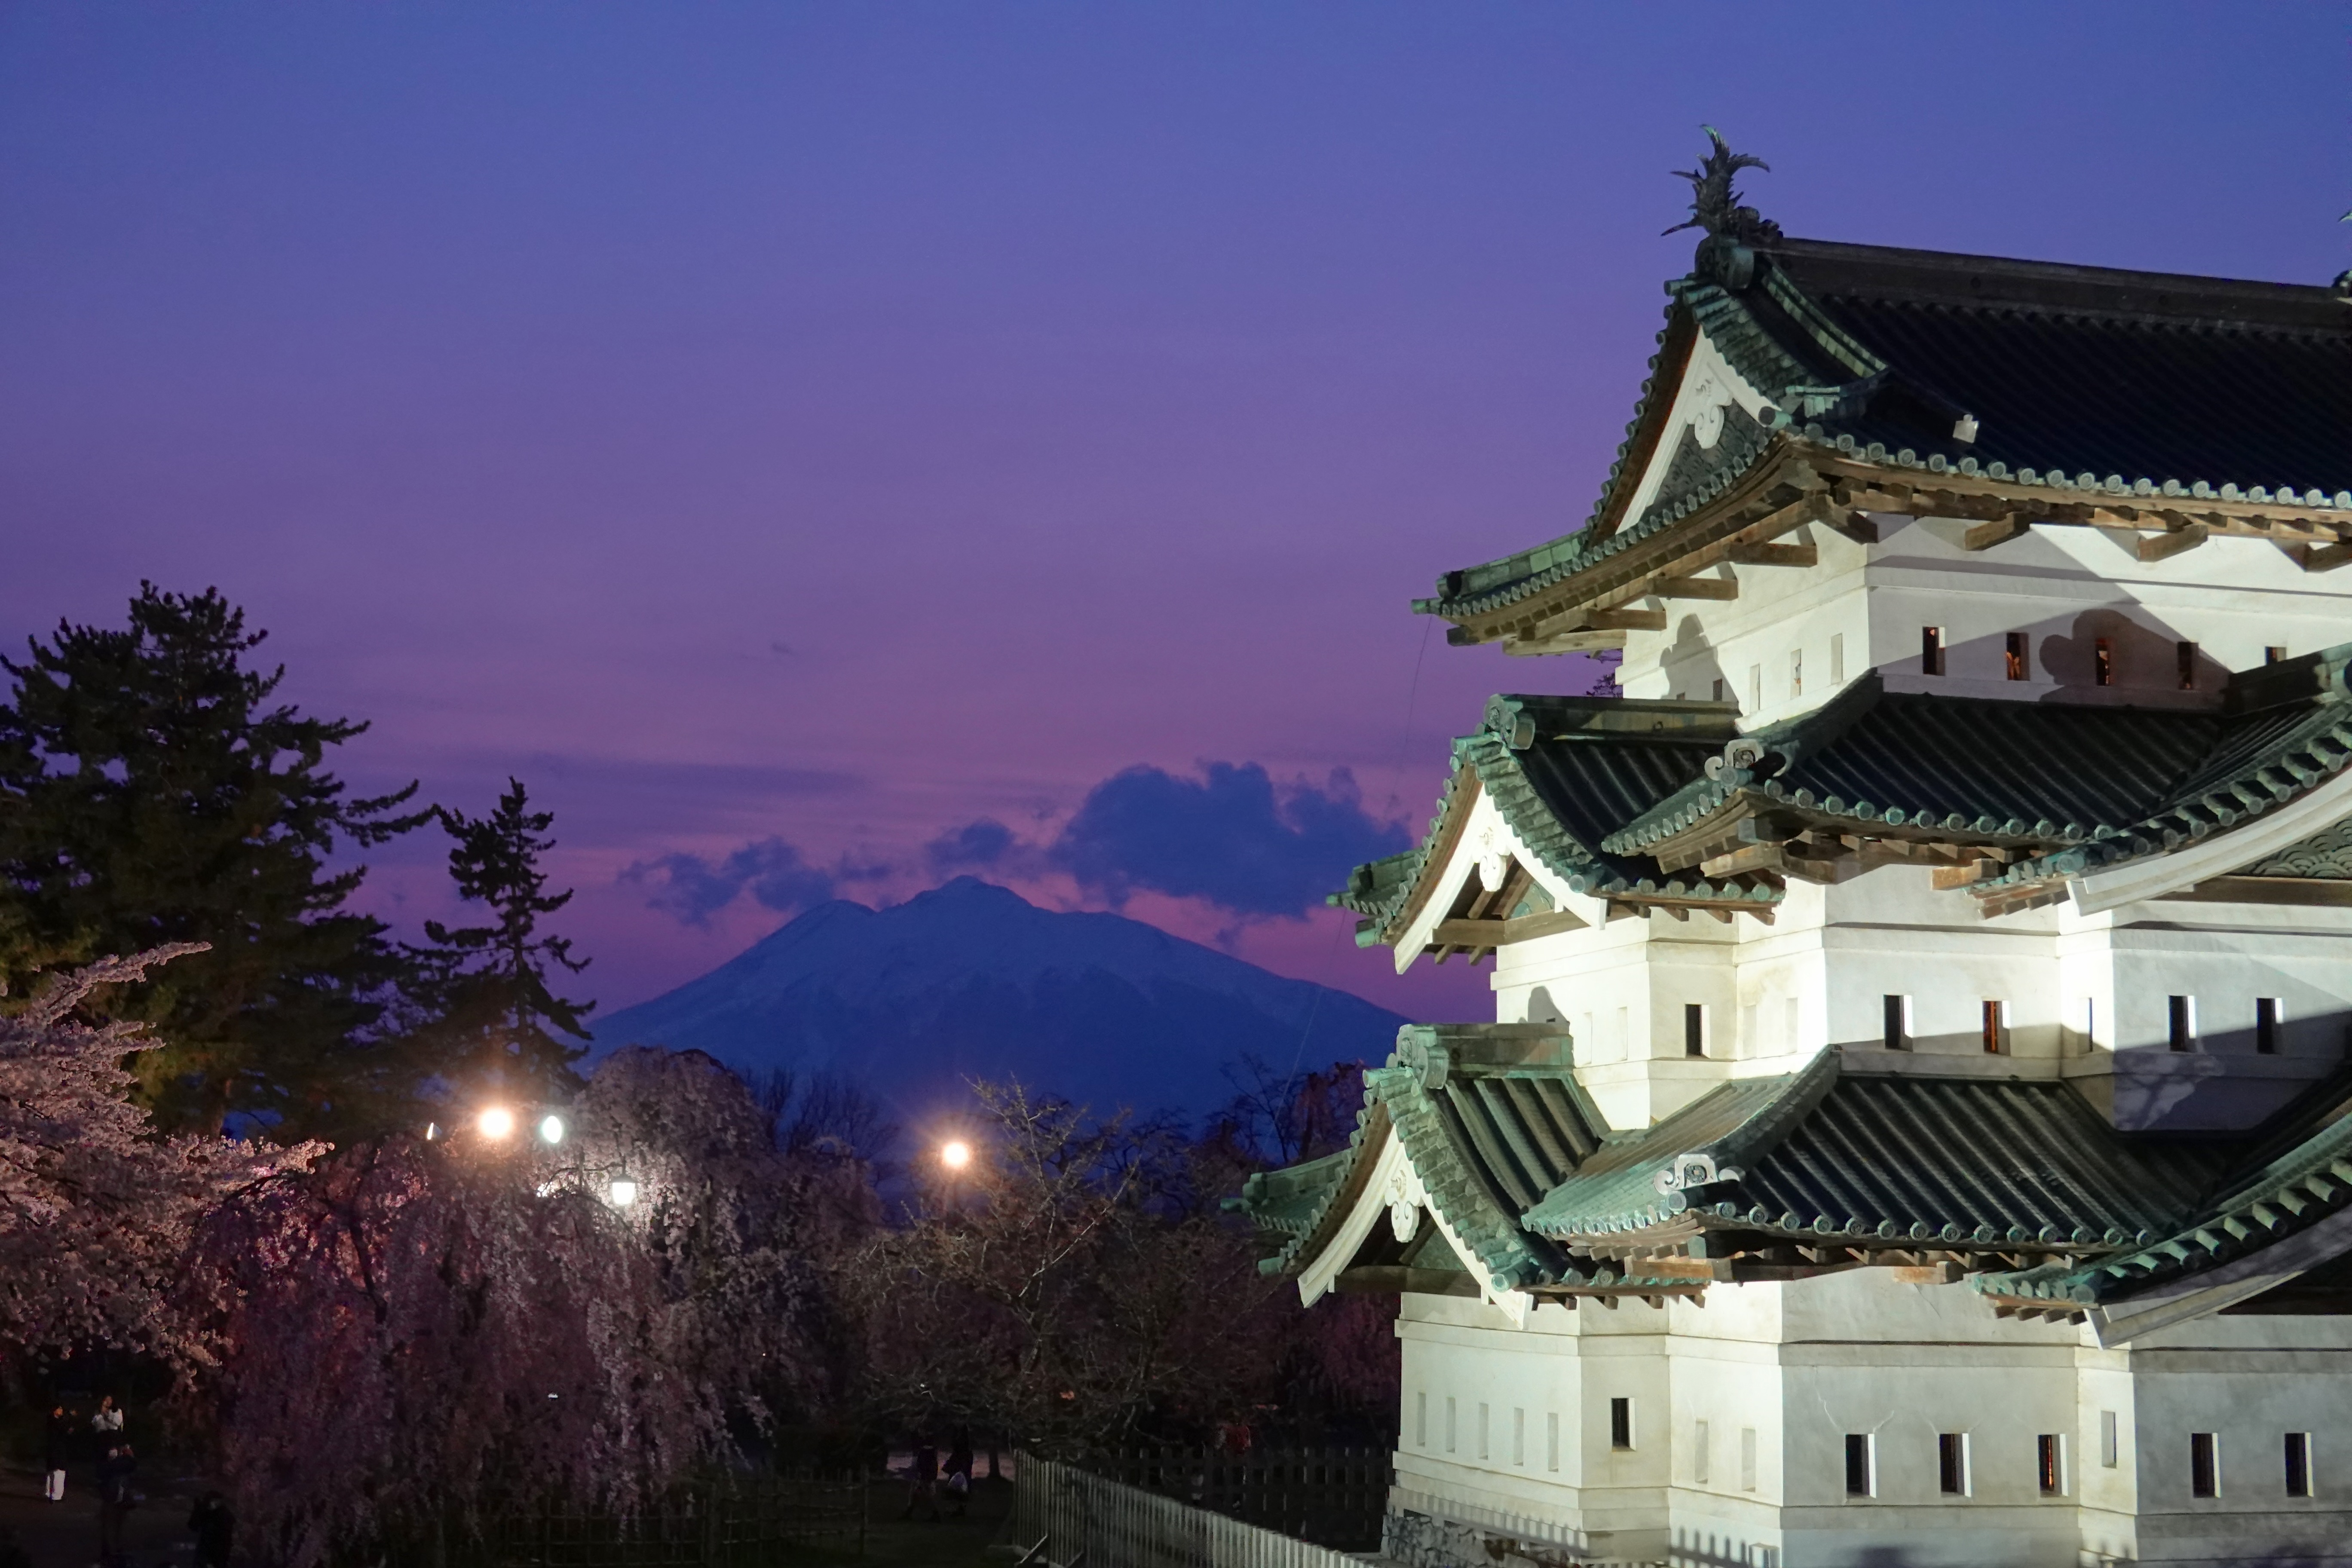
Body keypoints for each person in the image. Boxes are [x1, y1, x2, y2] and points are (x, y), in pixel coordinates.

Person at [96, 1441, 137, 1568]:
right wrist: (128, 1456)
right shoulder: (112, 1465)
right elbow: (126, 1466)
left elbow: (129, 1466)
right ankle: (112, 1554)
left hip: (117, 1498)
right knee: (112, 1527)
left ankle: (113, 1552)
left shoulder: (113, 1465)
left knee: (115, 1527)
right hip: (113, 1499)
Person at [899, 1433, 941, 1522]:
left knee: (925, 1494)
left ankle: (935, 1513)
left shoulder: (925, 1452)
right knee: (917, 1493)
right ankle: (910, 1512)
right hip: (927, 1476)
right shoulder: (932, 1452)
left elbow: (923, 1465)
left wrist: (922, 1475)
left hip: (925, 1477)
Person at [189, 1490, 236, 1568]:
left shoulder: (224, 1516)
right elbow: (193, 1526)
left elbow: (223, 1541)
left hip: (215, 1556)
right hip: (208, 1554)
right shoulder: (209, 1513)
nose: (213, 1504)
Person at [43, 1404, 72, 1501]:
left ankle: (49, 1493)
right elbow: (64, 1430)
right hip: (58, 1450)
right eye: (59, 1409)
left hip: (54, 1449)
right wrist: (69, 1419)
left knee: (52, 1471)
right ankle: (56, 1495)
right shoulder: (55, 1422)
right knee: (58, 1472)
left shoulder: (51, 1421)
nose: (61, 1410)